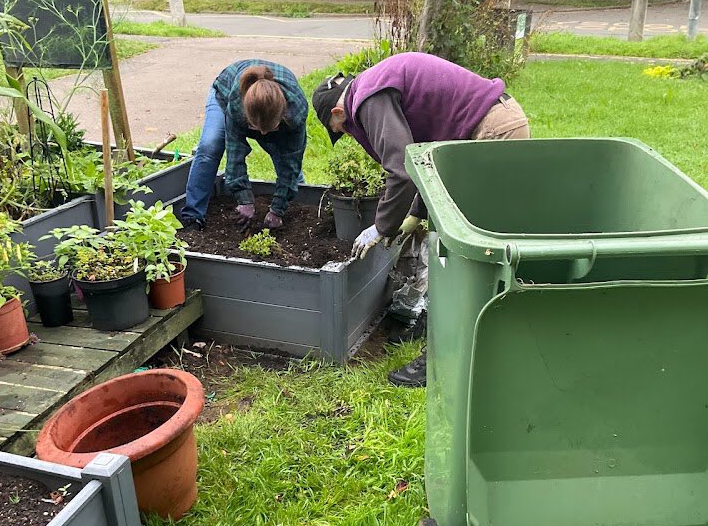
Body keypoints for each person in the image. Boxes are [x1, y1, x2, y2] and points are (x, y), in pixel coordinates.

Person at [312, 51, 530, 387]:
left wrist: (381, 227)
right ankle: (446, 327)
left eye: (343, 130)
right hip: (489, 127)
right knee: (453, 245)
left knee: (464, 255)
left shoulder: (367, 99)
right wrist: (415, 214)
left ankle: (441, 359)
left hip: (492, 134)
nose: (352, 135)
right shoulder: (374, 86)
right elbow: (424, 161)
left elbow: (400, 170)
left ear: (338, 112)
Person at [181, 60, 308, 231]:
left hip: (275, 116)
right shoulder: (236, 104)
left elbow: (291, 161)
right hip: (225, 91)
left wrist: (277, 210)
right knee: (210, 147)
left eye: (269, 129)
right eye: (255, 128)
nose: (262, 135)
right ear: (246, 118)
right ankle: (193, 216)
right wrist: (244, 200)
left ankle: (300, 214)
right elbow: (235, 156)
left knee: (288, 165)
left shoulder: (296, 112)